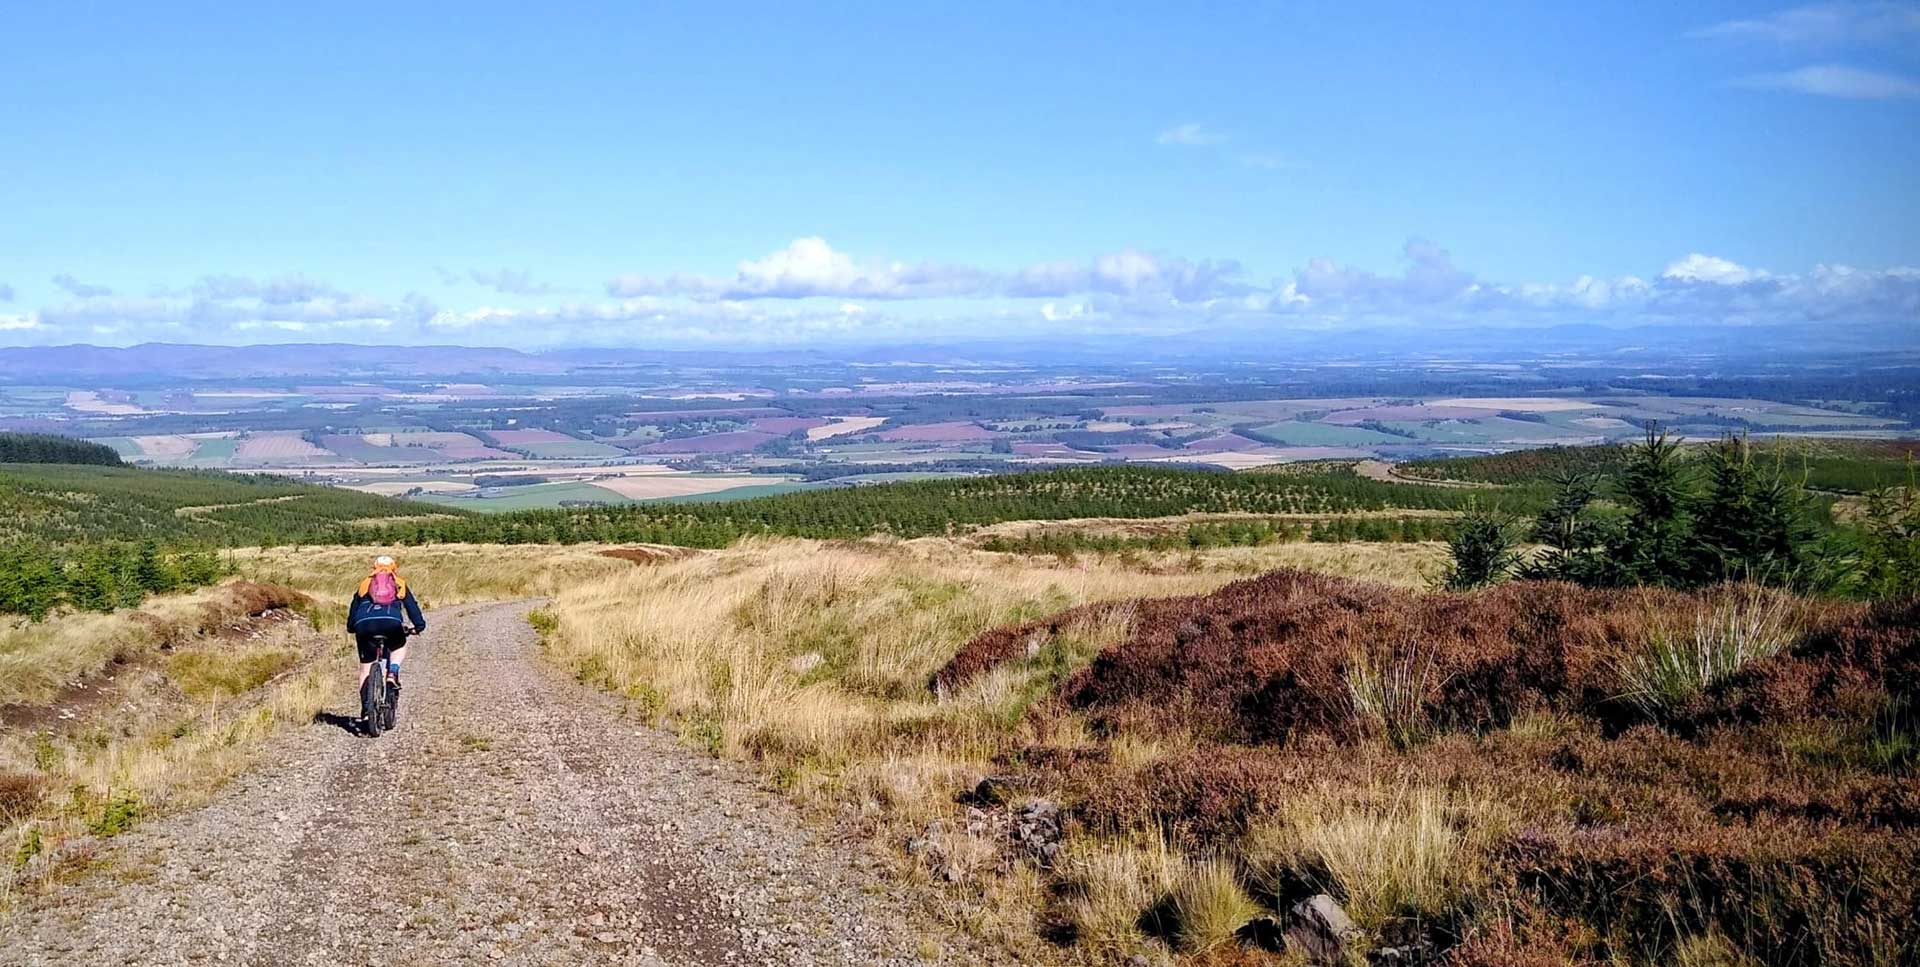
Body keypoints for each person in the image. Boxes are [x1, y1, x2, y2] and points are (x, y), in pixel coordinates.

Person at [346, 555, 426, 700]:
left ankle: (366, 707)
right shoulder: (399, 583)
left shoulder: (365, 583)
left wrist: (352, 627)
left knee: (365, 668)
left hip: (364, 624)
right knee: (399, 646)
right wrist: (419, 626)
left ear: (374, 567)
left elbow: (354, 609)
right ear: (394, 567)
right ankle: (392, 673)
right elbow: (412, 607)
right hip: (391, 622)